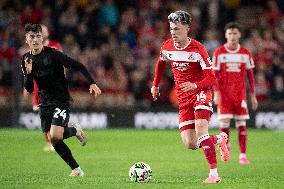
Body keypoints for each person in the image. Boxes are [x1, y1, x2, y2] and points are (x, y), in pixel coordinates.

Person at [151, 10, 229, 184]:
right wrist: (155, 85)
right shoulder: (166, 46)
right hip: (183, 97)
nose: (173, 32)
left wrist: (196, 85)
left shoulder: (198, 49)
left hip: (201, 91)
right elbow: (160, 63)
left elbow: (212, 78)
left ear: (187, 29)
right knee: (190, 144)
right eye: (171, 29)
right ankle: (219, 139)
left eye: (177, 29)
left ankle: (214, 175)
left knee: (201, 130)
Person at [21, 23, 101, 176]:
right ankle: (76, 169)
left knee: (56, 135)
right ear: (27, 40)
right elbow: (30, 88)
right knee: (52, 139)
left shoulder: (53, 54)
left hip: (60, 100)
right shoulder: (25, 59)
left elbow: (78, 65)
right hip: (43, 102)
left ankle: (73, 131)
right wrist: (29, 74)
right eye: (32, 37)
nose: (36, 39)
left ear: (43, 37)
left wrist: (91, 82)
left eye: (38, 36)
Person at [212, 22, 258, 165]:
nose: (232, 36)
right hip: (224, 95)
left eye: (235, 33)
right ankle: (226, 146)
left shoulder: (245, 53)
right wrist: (216, 93)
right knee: (224, 123)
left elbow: (250, 76)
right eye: (230, 33)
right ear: (226, 35)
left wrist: (253, 95)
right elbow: (215, 75)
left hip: (240, 95)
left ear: (239, 35)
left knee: (241, 124)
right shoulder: (219, 52)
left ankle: (242, 156)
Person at [23, 24, 63, 152]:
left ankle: (56, 140)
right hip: (38, 88)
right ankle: (51, 142)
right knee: (44, 118)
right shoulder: (33, 48)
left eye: (43, 30)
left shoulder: (55, 45)